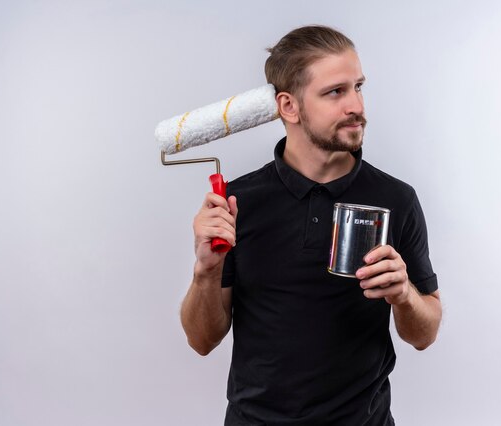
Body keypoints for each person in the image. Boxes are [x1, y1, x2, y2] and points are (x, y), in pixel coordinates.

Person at [180, 25, 442, 426]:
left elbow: (425, 333)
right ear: (289, 106)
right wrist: (206, 271)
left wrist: (405, 294)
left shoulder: (396, 199)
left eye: (358, 86)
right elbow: (201, 340)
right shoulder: (238, 201)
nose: (356, 105)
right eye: (335, 92)